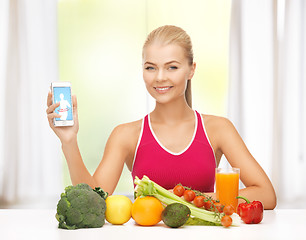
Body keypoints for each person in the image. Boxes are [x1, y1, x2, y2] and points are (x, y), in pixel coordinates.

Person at [46, 25, 276, 209]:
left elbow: (265, 194)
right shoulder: (126, 135)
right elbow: (93, 200)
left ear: (191, 69)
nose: (160, 77)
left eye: (172, 67)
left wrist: (195, 200)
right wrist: (69, 141)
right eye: (151, 68)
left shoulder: (218, 129)